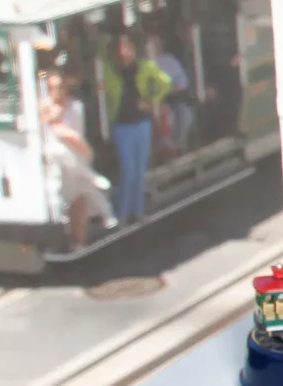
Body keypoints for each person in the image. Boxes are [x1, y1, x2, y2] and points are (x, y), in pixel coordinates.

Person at [40, 70, 113, 250]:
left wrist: (84, 149)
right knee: (58, 194)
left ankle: (79, 241)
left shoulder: (76, 106)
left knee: (80, 198)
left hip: (75, 154)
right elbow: (53, 127)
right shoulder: (45, 106)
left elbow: (75, 132)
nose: (57, 91)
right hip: (54, 159)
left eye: (60, 87)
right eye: (53, 87)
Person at [101, 34, 171, 221]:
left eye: (127, 48)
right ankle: (122, 214)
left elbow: (165, 82)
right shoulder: (108, 70)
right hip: (121, 125)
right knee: (128, 168)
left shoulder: (144, 66)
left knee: (140, 169)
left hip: (141, 123)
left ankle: (138, 211)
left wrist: (151, 101)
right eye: (119, 49)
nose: (123, 53)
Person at [148, 34, 196, 157]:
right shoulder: (145, 64)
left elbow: (183, 80)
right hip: (155, 104)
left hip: (174, 99)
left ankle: (180, 147)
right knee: (168, 117)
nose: (155, 46)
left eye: (156, 43)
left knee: (186, 114)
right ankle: (168, 152)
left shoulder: (169, 60)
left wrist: (175, 87)